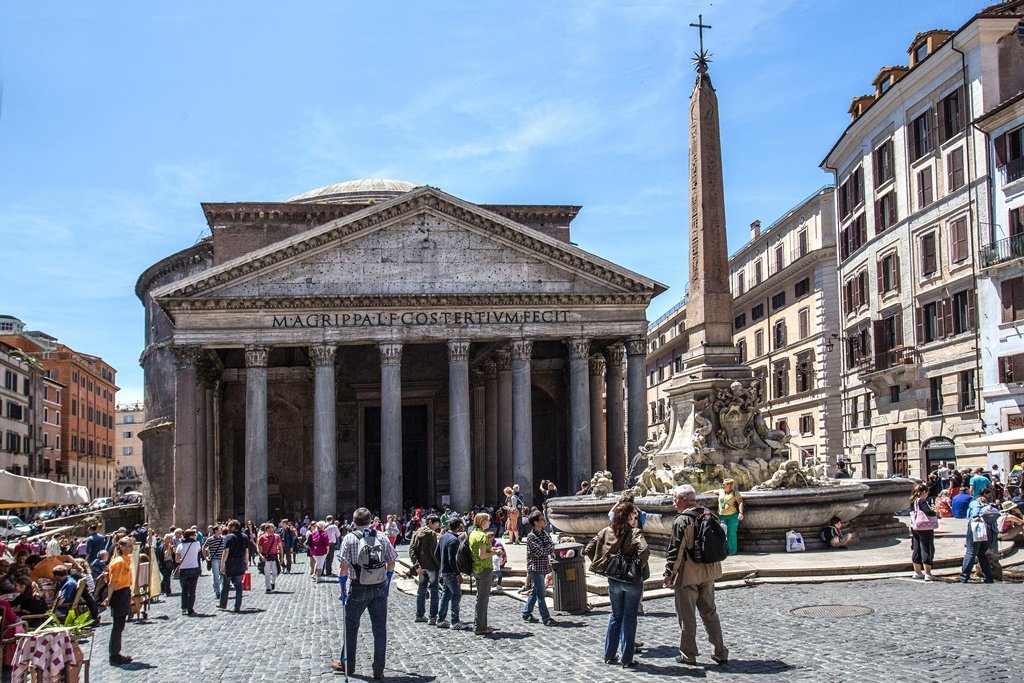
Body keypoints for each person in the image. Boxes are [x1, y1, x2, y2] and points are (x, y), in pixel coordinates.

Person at [664, 485, 728, 666]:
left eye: (674, 498)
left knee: (687, 616)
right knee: (710, 613)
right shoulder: (709, 514)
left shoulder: (682, 520)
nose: (673, 501)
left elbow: (676, 551)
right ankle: (720, 652)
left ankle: (688, 654)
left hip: (688, 575)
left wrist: (669, 574)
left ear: (684, 500)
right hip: (708, 572)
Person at [333, 507, 398, 680]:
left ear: (353, 522)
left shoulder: (349, 538)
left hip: (358, 586)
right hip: (379, 587)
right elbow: (392, 561)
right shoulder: (381, 536)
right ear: (371, 521)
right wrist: (388, 582)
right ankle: (379, 669)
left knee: (351, 626)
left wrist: (343, 590)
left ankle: (348, 664)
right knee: (379, 629)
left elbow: (343, 567)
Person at [522, 509, 558, 626]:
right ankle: (546, 618)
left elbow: (550, 545)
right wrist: (548, 548)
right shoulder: (531, 537)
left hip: (543, 566)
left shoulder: (544, 533)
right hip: (535, 567)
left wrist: (547, 548)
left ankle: (526, 612)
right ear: (536, 522)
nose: (544, 521)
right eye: (542, 520)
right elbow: (538, 551)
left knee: (535, 591)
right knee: (541, 593)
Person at [435, 517, 471, 630]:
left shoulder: (443, 537)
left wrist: (442, 565)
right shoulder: (454, 540)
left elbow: (436, 554)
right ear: (459, 526)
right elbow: (452, 559)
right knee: (457, 594)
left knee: (446, 594)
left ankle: (440, 619)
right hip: (451, 572)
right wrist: (457, 574)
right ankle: (455, 621)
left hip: (444, 570)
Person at [104, 536, 134, 666]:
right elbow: (113, 582)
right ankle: (114, 655)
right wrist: (108, 598)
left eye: (131, 546)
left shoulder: (125, 560)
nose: (131, 548)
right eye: (128, 546)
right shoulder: (119, 562)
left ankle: (116, 653)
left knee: (120, 626)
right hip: (119, 594)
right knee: (118, 626)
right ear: (121, 547)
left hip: (124, 592)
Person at [959, 488, 997, 583]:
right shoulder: (988, 505)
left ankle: (964, 577)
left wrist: (975, 516)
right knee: (981, 554)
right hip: (989, 530)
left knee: (971, 552)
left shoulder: (975, 502)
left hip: (976, 528)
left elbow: (975, 509)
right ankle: (988, 577)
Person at [468, 512, 497, 635]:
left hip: (476, 569)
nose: (490, 523)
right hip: (484, 569)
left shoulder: (473, 534)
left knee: (479, 598)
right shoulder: (482, 536)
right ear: (482, 522)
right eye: (488, 520)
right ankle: (481, 627)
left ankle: (478, 624)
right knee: (483, 599)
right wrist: (495, 553)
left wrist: (491, 550)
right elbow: (482, 555)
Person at [409, 514, 441, 625]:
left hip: (421, 567)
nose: (437, 525)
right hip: (432, 566)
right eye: (436, 523)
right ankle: (433, 617)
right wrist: (439, 565)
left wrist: (416, 565)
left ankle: (419, 615)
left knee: (421, 590)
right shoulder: (431, 534)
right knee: (434, 591)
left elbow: (411, 549)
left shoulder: (417, 532)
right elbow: (434, 552)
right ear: (430, 523)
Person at [218, 519, 249, 612]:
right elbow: (246, 551)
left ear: (233, 527)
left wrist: (222, 564)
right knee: (239, 585)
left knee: (226, 584)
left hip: (230, 562)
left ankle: (223, 604)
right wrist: (246, 562)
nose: (227, 527)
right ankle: (237, 605)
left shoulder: (228, 537)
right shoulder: (244, 536)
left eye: (229, 526)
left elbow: (226, 551)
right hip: (240, 561)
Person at [909, 483, 938, 581]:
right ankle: (928, 573)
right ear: (924, 492)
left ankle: (917, 572)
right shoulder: (922, 501)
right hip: (924, 528)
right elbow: (928, 512)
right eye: (927, 493)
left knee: (916, 548)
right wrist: (935, 513)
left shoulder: (912, 501)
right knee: (927, 548)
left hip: (915, 527)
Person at [711, 479, 744, 556]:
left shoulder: (735, 493)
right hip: (722, 516)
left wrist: (741, 513)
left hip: (732, 516)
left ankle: (732, 551)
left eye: (724, 484)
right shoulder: (721, 491)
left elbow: (740, 502)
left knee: (732, 534)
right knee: (722, 532)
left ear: (729, 485)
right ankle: (723, 550)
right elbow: (712, 491)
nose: (722, 485)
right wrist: (703, 493)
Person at [175, 528, 202, 616]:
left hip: (183, 569)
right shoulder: (197, 544)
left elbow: (177, 560)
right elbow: (198, 551)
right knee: (192, 591)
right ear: (190, 536)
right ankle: (190, 610)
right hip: (194, 568)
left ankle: (184, 608)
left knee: (184, 590)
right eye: (194, 535)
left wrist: (183, 559)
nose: (196, 536)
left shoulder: (180, 545)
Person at [257, 522, 281, 593]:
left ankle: (272, 582)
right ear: (267, 529)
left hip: (274, 556)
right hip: (266, 557)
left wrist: (281, 557)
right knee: (267, 573)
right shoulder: (262, 537)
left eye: (273, 528)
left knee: (275, 572)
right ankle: (268, 587)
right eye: (272, 527)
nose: (273, 529)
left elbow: (280, 547)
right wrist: (261, 556)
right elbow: (258, 548)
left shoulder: (277, 536)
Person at [203, 524, 225, 601]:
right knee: (216, 576)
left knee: (223, 575)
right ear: (216, 530)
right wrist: (205, 557)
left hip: (222, 559)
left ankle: (217, 586)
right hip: (214, 559)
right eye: (219, 529)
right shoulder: (210, 539)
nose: (221, 530)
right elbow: (204, 547)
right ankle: (218, 592)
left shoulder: (223, 538)